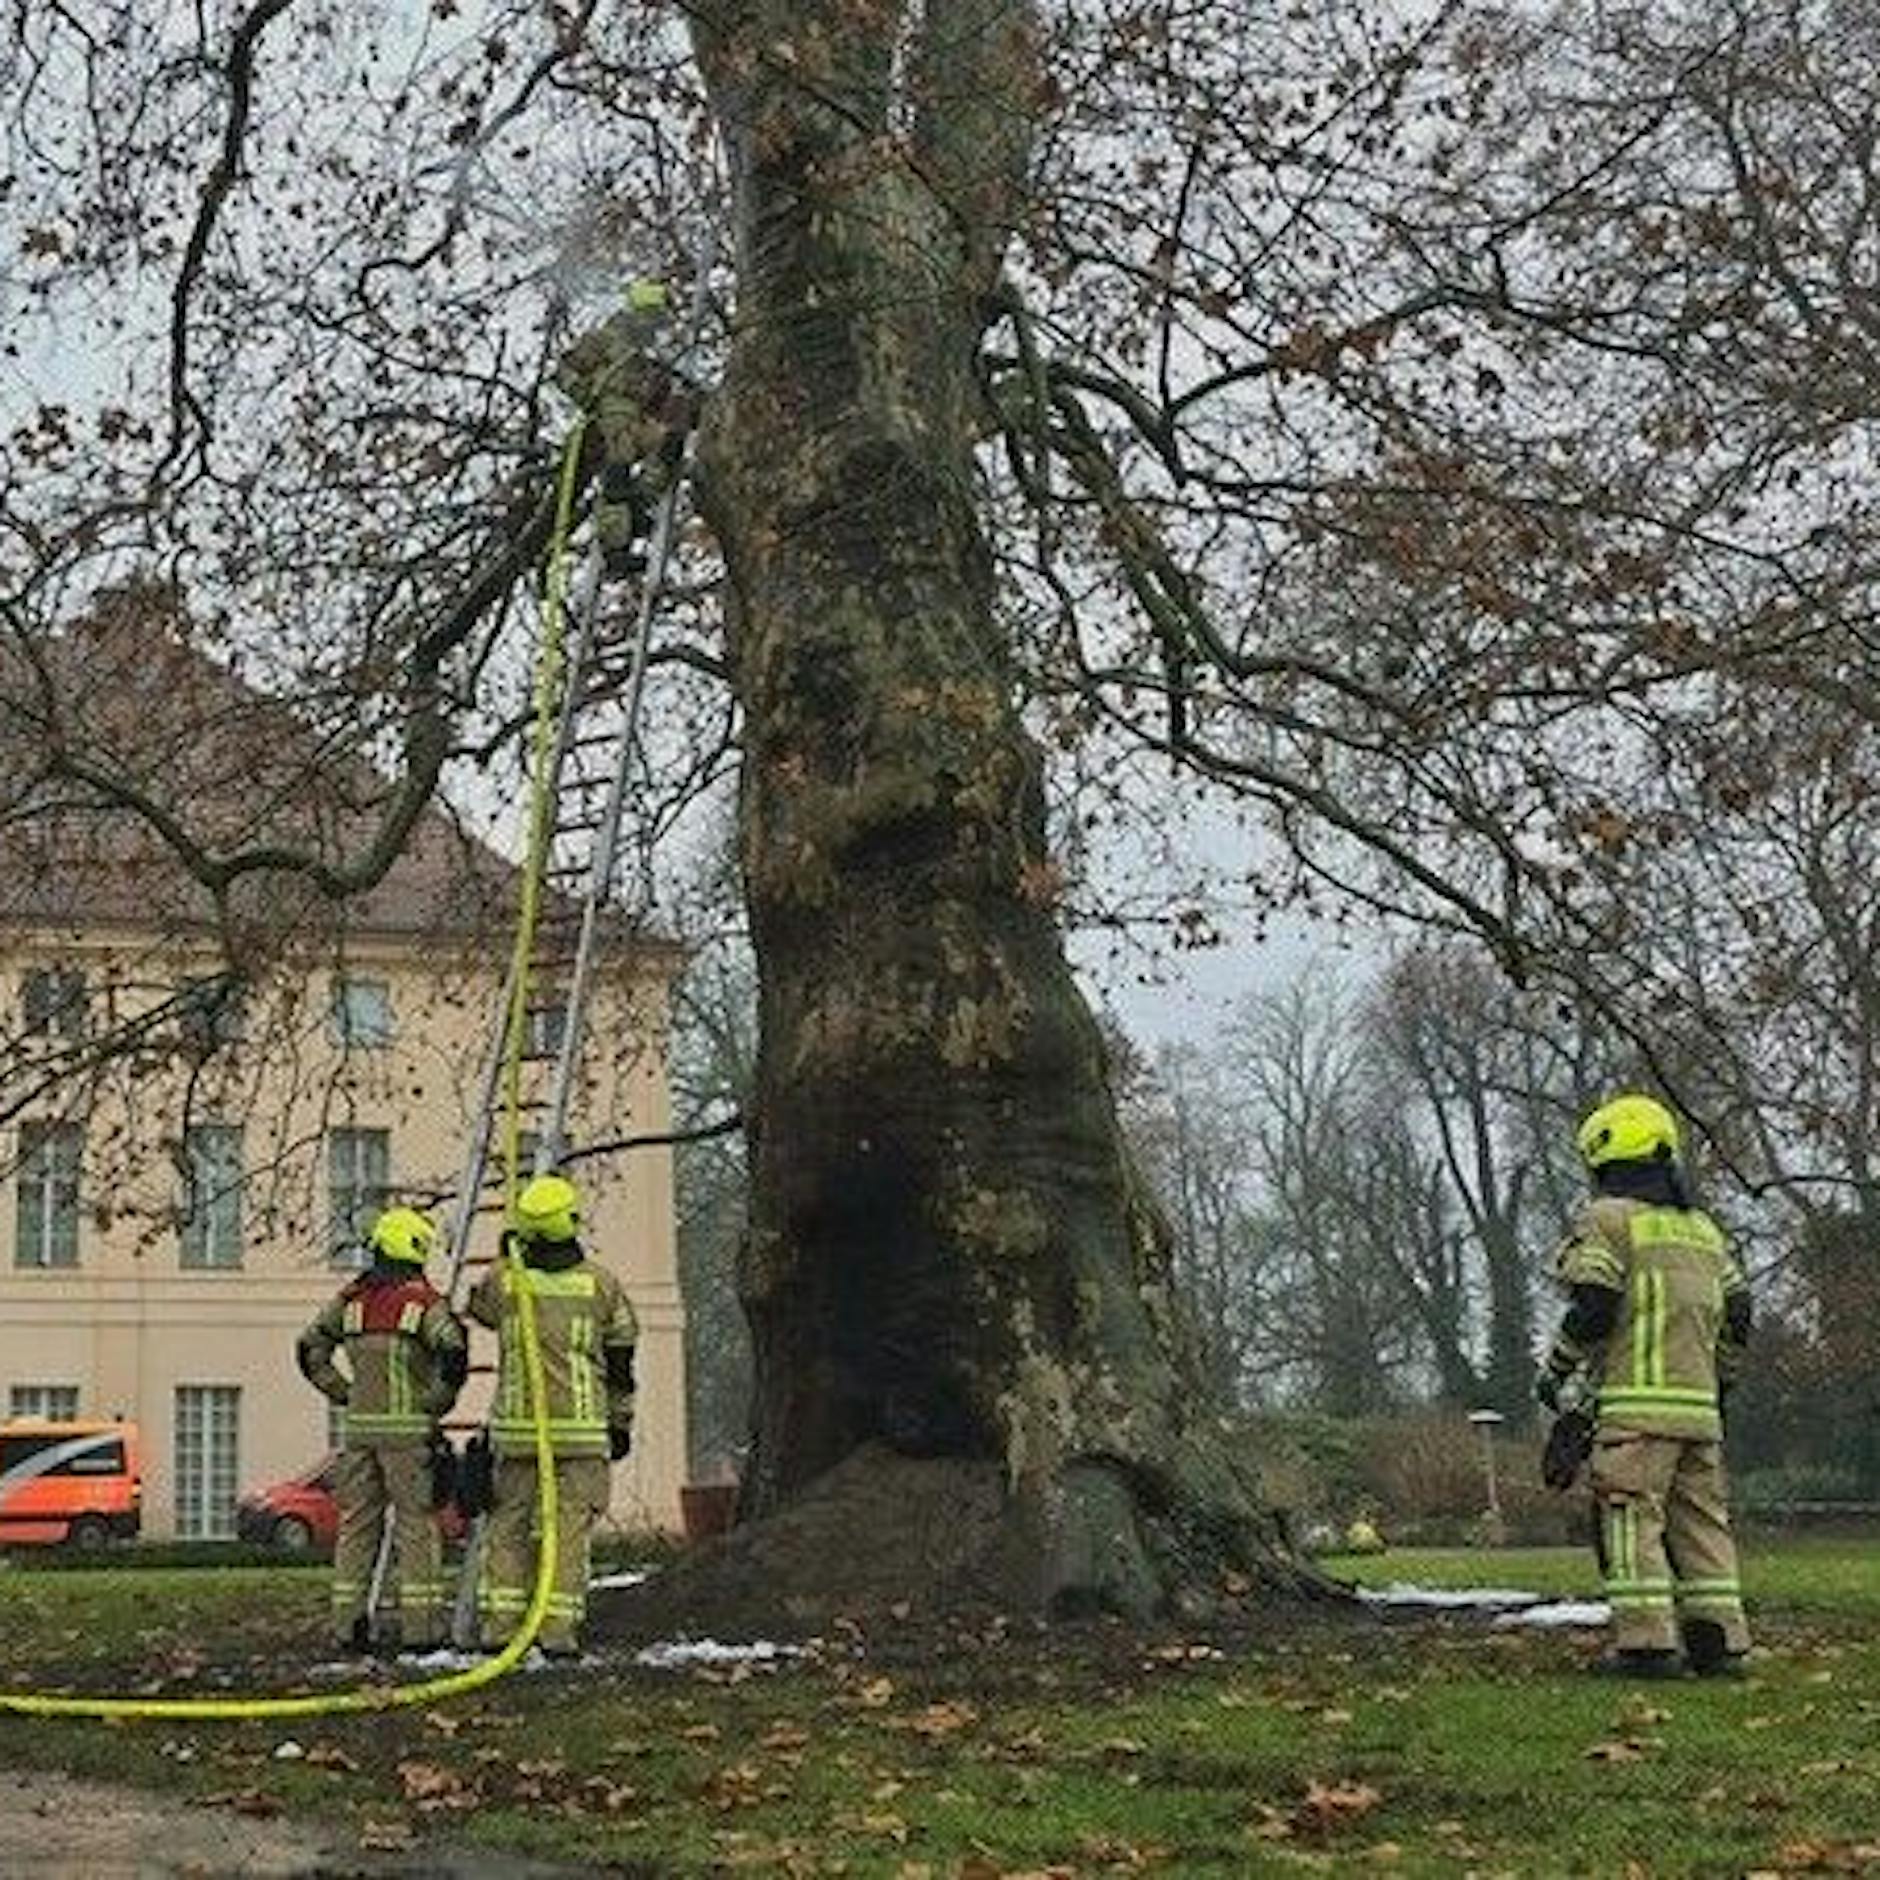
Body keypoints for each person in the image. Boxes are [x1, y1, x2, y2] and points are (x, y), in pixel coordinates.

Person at [1536, 1092, 1752, 1678]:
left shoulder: (1608, 1221)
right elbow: (1739, 1312)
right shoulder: (1704, 1233)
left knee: (1631, 1521)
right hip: (1700, 1415)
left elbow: (1594, 1303)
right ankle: (1721, 1643)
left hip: (1635, 1414)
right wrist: (1719, 1386)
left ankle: (1647, 1645)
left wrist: (1556, 1371)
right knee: (1703, 1526)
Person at [467, 1173, 637, 1659]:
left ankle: (501, 1629)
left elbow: (477, 1309)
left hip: (518, 1434)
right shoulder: (601, 1285)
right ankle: (557, 1633)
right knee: (568, 1535)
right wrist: (620, 1422)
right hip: (583, 1435)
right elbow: (623, 1359)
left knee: (508, 1529)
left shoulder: (508, 1282)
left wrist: (505, 1256)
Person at [296, 1205, 468, 1655]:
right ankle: (422, 1630)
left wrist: (341, 1392)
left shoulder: (349, 1302)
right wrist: (436, 1402)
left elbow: (309, 1347)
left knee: (356, 1528)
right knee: (417, 1529)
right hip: (409, 1437)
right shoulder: (422, 1304)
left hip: (358, 1435)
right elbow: (454, 1352)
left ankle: (347, 1626)